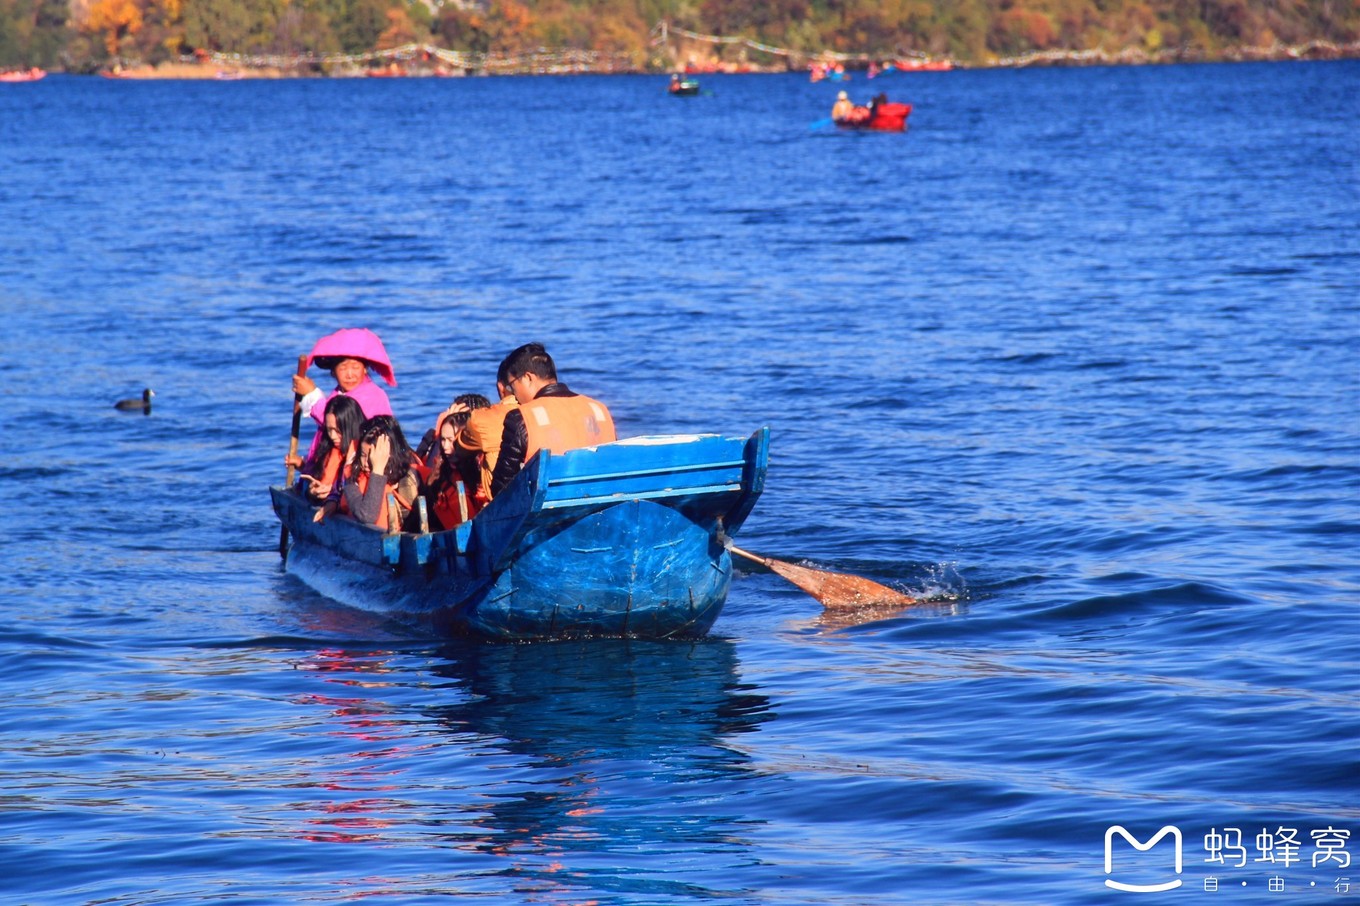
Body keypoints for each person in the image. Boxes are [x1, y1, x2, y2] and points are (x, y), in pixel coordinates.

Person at [489, 343, 616, 498]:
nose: (514, 396)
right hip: (602, 502)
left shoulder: (522, 417)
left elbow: (501, 488)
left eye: (512, 387)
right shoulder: (599, 409)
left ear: (528, 378)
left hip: (548, 510)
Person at [292, 328, 397, 465]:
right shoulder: (338, 393)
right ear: (333, 372)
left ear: (365, 369)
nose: (349, 375)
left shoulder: (374, 396)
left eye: (355, 367)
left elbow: (344, 426)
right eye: (342, 368)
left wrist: (312, 394)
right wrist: (305, 464)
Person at [321, 415, 420, 532]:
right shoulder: (352, 481)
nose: (366, 463)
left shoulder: (410, 475)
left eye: (373, 456)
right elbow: (367, 516)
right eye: (363, 455)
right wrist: (377, 470)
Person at [446, 359, 520, 506]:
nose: (447, 446)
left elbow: (460, 447)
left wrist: (447, 421)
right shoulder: (541, 413)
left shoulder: (483, 422)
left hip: (501, 504)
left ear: (500, 387)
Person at [421, 395, 487, 530]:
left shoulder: (484, 467)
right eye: (443, 440)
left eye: (451, 440)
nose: (445, 447)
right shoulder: (441, 475)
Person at [297, 394, 364, 505]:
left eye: (337, 430)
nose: (332, 436)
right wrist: (311, 492)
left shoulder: (365, 454)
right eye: (329, 430)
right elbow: (307, 483)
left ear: (350, 428)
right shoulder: (326, 450)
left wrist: (334, 497)